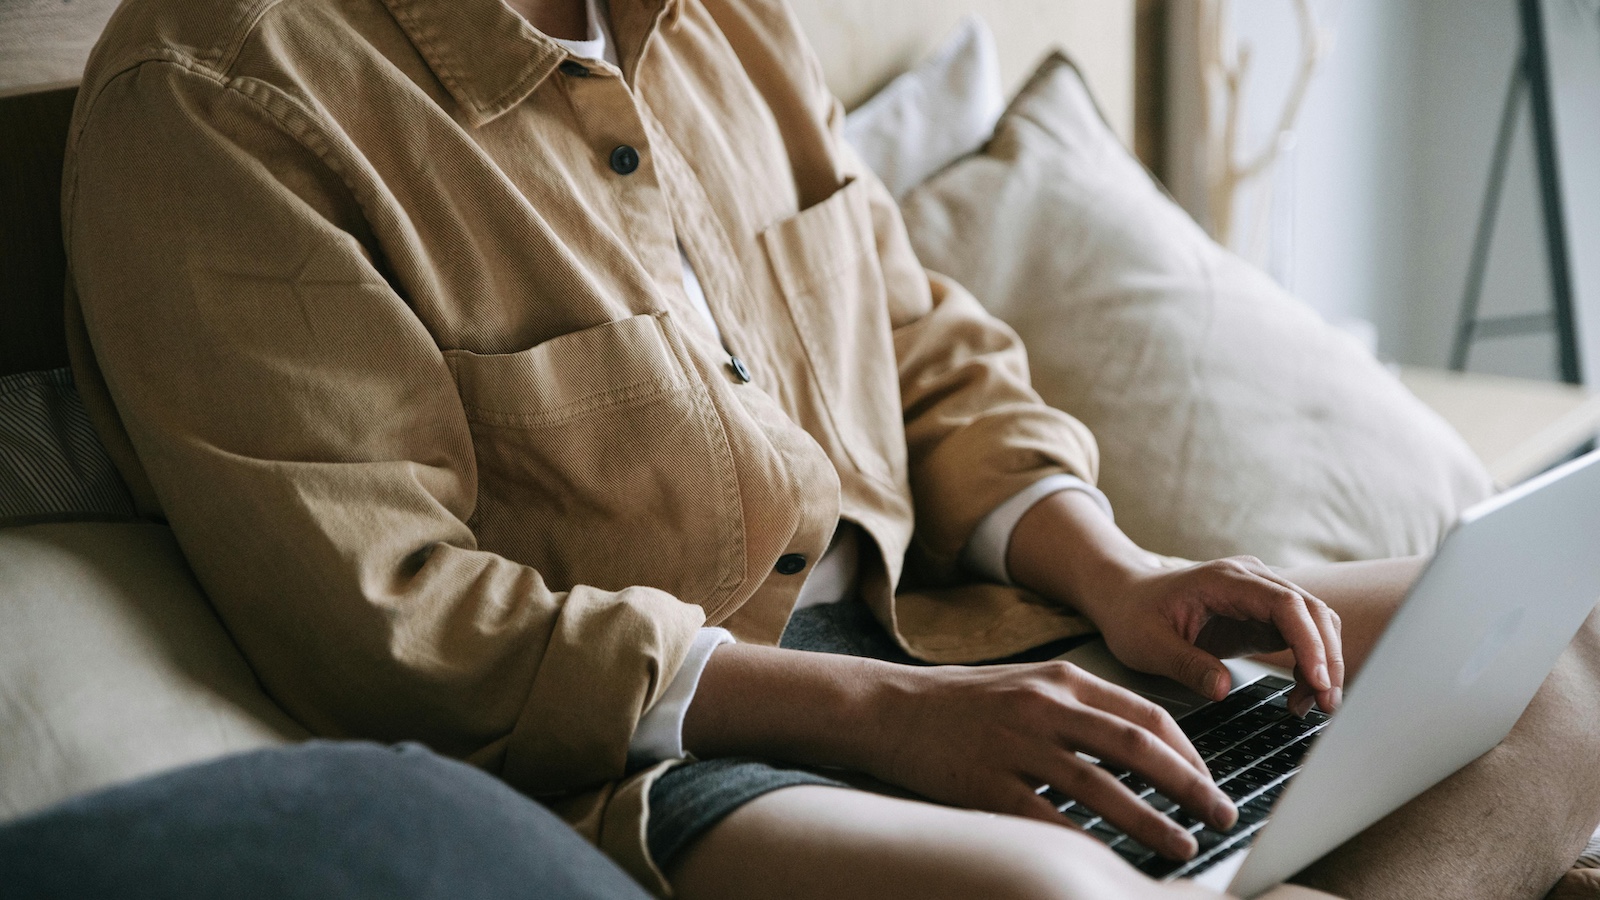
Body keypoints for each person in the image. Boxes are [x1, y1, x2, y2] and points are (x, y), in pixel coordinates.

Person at [62, 0, 1600, 897]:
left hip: (977, 637)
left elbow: (920, 344)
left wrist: (1115, 573)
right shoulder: (219, 98)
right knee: (1059, 894)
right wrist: (886, 721)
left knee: (1559, 650)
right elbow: (390, 617)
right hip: (667, 757)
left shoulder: (725, 25)